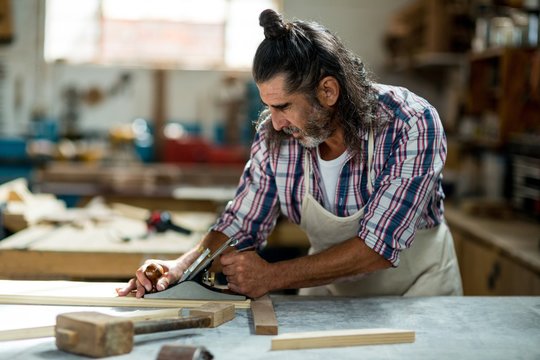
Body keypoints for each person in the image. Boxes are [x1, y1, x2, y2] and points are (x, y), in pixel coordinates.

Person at [117, 9, 463, 299]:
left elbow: (378, 246)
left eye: (283, 107)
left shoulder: (411, 122)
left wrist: (273, 276)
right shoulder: (275, 135)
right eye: (269, 107)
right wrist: (180, 268)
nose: (276, 123)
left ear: (327, 91)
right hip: (330, 290)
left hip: (418, 291)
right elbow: (241, 224)